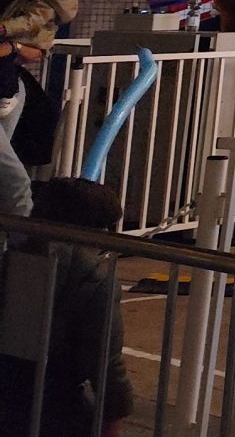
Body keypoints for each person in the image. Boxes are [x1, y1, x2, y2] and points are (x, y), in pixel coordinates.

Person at [0, 178, 134, 437]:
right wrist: (114, 416)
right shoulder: (94, 279)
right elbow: (105, 361)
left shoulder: (12, 259)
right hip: (54, 402)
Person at [0, 0, 76, 174]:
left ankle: (7, 94)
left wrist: (6, 32)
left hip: (18, 50)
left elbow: (28, 24)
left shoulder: (38, 2)